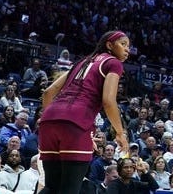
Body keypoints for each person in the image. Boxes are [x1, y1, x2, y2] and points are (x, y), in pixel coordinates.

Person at [38, 31, 132, 194]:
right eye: (123, 44)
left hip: (49, 120)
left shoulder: (82, 62)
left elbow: (48, 92)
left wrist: (55, 121)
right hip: (77, 123)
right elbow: (108, 101)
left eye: (128, 46)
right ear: (109, 45)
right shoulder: (114, 63)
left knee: (51, 187)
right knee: (69, 189)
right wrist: (120, 133)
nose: (127, 49)